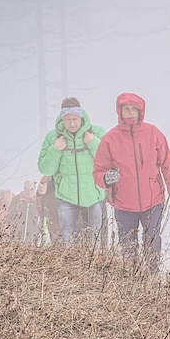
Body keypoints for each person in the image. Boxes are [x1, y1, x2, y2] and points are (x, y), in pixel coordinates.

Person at [93, 92, 170, 268]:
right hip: (123, 204)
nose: (130, 113)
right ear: (119, 111)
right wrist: (106, 178)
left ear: (140, 112)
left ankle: (151, 280)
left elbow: (167, 165)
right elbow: (98, 172)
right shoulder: (109, 139)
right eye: (126, 109)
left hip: (153, 200)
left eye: (133, 109)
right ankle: (133, 283)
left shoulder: (154, 134)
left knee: (152, 243)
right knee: (128, 247)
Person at [38, 97, 106, 246]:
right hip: (66, 198)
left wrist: (93, 143)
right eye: (68, 120)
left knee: (94, 242)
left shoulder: (96, 132)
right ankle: (71, 269)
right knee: (67, 241)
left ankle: (93, 268)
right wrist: (55, 150)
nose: (72, 123)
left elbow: (109, 160)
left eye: (75, 119)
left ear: (81, 116)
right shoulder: (53, 137)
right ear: (62, 118)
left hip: (93, 196)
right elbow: (45, 169)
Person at [7, 179, 41, 244]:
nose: (29, 192)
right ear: (24, 189)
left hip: (33, 232)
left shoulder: (38, 200)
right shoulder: (17, 199)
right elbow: (10, 214)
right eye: (27, 189)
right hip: (18, 231)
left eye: (31, 189)